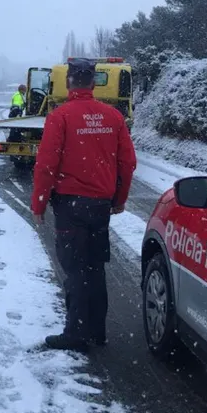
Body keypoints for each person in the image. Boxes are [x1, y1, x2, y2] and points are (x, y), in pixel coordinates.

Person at [29, 58, 137, 352]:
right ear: (92, 83)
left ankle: (76, 333)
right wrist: (120, 199)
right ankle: (97, 331)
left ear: (69, 83)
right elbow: (127, 163)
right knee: (95, 266)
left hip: (70, 206)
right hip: (100, 205)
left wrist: (39, 203)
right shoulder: (113, 117)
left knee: (75, 269)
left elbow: (46, 165)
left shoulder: (60, 117)